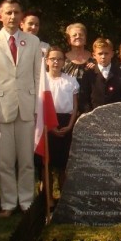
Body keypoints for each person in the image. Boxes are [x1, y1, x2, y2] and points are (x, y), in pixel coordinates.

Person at [0, 0, 42, 218]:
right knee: (5, 161)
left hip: (27, 106)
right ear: (0, 16)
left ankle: (26, 202)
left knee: (26, 160)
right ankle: (7, 203)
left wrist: (37, 107)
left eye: (16, 12)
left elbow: (37, 76)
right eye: (8, 13)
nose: (13, 17)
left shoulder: (32, 41)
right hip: (1, 107)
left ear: (21, 16)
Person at [38, 46, 79, 194]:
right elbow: (39, 105)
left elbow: (75, 106)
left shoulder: (71, 80)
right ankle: (47, 199)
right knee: (46, 164)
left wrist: (70, 125)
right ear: (47, 61)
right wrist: (49, 126)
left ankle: (64, 197)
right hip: (46, 122)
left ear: (64, 61)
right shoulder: (41, 80)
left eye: (59, 59)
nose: (56, 62)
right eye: (53, 59)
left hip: (65, 122)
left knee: (64, 165)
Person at [79, 37, 121, 112]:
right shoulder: (88, 74)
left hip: (117, 116)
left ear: (112, 54)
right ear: (94, 55)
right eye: (100, 54)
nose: (103, 57)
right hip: (94, 118)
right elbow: (84, 99)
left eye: (106, 53)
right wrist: (90, 116)